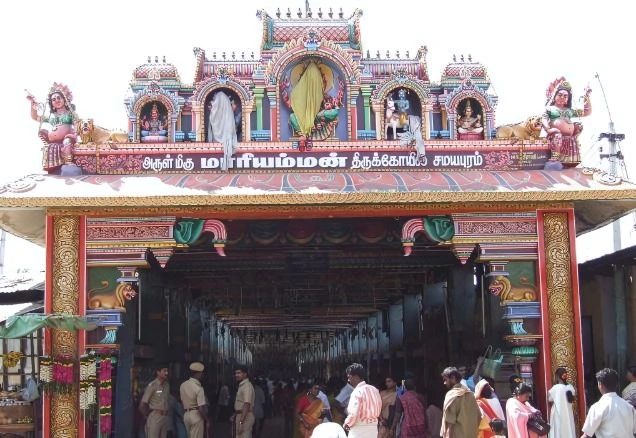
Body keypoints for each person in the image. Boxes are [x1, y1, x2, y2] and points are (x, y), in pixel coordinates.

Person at [26, 83, 78, 171]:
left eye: (59, 98)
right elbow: (35, 117)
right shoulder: (51, 117)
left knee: (66, 142)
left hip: (68, 140)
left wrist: (75, 134)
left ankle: (69, 164)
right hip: (53, 142)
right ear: (51, 103)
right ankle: (53, 166)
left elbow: (77, 123)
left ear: (64, 100)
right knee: (44, 135)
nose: (56, 100)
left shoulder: (70, 114)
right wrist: (32, 103)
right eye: (53, 99)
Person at [541, 77, 592, 166]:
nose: (562, 98)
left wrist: (587, 96)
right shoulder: (550, 109)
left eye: (565, 96)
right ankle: (555, 157)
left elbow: (586, 112)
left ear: (568, 99)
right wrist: (549, 129)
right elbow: (544, 119)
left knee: (578, 126)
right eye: (560, 95)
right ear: (554, 97)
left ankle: (570, 161)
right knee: (557, 136)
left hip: (569, 138)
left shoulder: (570, 111)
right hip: (555, 135)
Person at [581, 368, 636, 438]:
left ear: (600, 385)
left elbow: (587, 435)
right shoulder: (629, 407)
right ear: (616, 385)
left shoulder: (597, 407)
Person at [343, 363, 382, 438]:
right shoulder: (374, 390)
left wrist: (347, 423)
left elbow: (353, 414)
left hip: (359, 431)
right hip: (373, 430)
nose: (348, 380)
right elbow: (379, 408)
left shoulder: (357, 391)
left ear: (356, 377)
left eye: (349, 377)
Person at [440, 367, 480, 438]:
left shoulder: (451, 396)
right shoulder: (470, 394)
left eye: (446, 380)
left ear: (453, 378)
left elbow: (450, 423)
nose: (444, 383)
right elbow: (479, 417)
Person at [139, 364, 172, 438]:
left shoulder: (167, 385)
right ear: (158, 372)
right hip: (155, 417)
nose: (167, 373)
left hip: (165, 417)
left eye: (167, 371)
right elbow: (142, 404)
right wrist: (146, 416)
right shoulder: (152, 386)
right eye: (164, 371)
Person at [179, 362, 208, 438]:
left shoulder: (183, 385)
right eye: (202, 373)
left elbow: (182, 402)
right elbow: (201, 408)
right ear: (198, 374)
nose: (202, 375)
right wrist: (206, 419)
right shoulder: (199, 388)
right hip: (196, 415)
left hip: (186, 415)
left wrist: (184, 415)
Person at [548, 367, 576, 438]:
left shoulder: (556, 388)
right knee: (569, 429)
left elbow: (549, 399)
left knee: (559, 432)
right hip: (568, 414)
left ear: (557, 376)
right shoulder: (571, 388)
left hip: (558, 414)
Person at [232, 365, 256, 438]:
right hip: (241, 415)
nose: (236, 375)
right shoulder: (242, 385)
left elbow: (246, 405)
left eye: (239, 373)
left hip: (245, 417)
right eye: (235, 373)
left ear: (245, 374)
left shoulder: (247, 386)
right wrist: (235, 415)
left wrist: (241, 422)